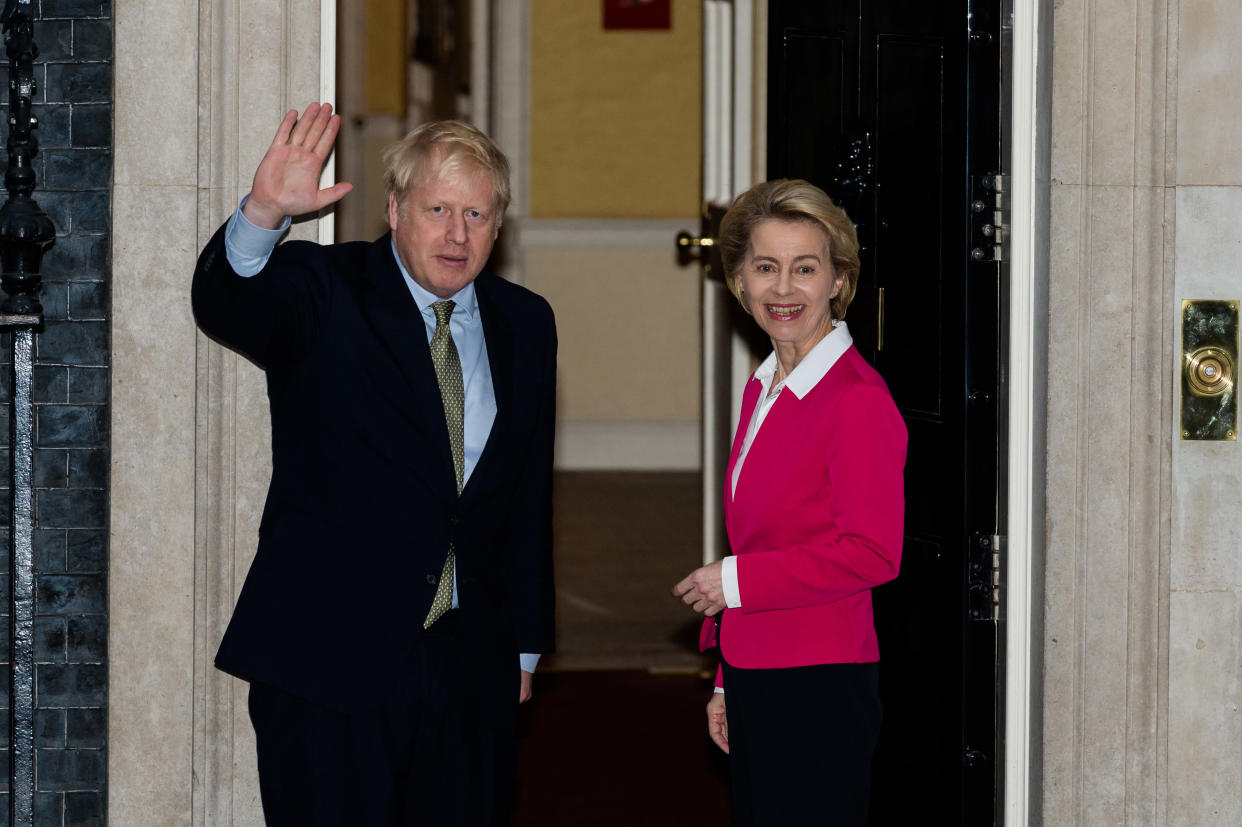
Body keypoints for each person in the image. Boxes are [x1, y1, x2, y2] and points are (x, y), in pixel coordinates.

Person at [191, 103, 556, 825]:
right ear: (394, 209)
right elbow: (226, 302)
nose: (458, 233)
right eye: (439, 208)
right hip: (330, 664)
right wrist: (265, 211)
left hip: (469, 664)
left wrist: (525, 648)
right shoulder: (325, 288)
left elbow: (527, 495)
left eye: (478, 215)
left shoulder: (526, 320)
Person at [672, 179, 906, 826]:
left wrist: (733, 581)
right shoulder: (766, 386)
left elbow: (872, 553)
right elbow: (765, 536)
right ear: (740, 280)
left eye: (805, 269)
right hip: (761, 667)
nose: (783, 289)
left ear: (837, 280)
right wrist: (726, 677)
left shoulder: (856, 399)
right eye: (766, 267)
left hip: (819, 681)